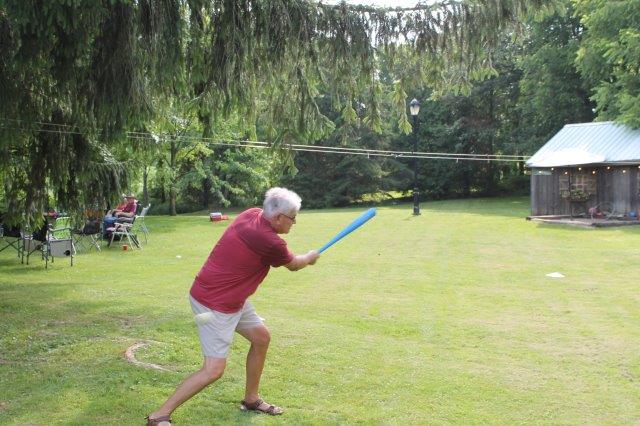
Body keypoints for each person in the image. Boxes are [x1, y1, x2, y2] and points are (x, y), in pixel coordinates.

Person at [146, 187, 320, 425]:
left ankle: (251, 399)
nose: (294, 222)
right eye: (293, 217)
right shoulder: (270, 242)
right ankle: (158, 415)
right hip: (215, 304)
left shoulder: (251, 214)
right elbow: (294, 265)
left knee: (261, 338)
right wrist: (309, 257)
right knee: (214, 370)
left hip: (228, 297)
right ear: (279, 217)